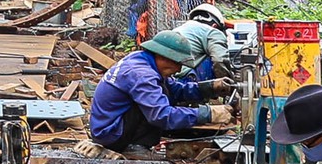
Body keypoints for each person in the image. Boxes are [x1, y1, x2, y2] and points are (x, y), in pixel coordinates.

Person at [88, 27, 234, 152]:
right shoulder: (142, 75)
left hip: (110, 125)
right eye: (178, 63)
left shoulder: (142, 60)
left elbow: (176, 90)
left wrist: (211, 87)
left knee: (163, 93)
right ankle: (135, 147)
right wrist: (209, 114)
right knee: (156, 107)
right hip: (111, 134)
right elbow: (162, 116)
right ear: (164, 56)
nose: (178, 70)